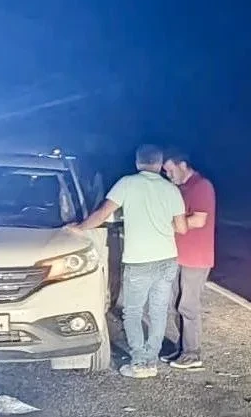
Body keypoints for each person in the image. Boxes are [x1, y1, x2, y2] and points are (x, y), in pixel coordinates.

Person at [70, 145, 186, 378]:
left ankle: (140, 363)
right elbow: (181, 228)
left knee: (132, 312)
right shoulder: (171, 189)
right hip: (167, 258)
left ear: (137, 162)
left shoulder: (127, 183)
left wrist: (79, 228)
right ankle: (151, 360)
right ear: (159, 163)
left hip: (139, 260)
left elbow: (103, 214)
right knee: (158, 311)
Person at [160, 149, 216, 369]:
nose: (168, 176)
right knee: (174, 304)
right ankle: (182, 348)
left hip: (196, 257)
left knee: (188, 306)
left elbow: (199, 220)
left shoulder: (202, 186)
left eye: (170, 170)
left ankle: (192, 354)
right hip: (178, 256)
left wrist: (164, 225)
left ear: (183, 165)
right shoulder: (179, 188)